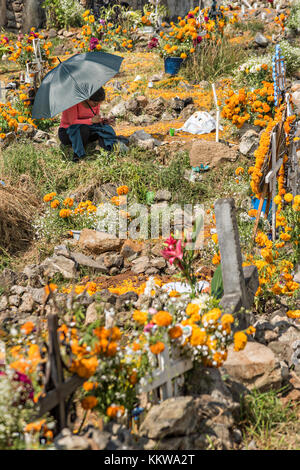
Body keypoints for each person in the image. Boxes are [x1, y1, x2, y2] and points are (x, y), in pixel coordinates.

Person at [58, 87, 117, 162]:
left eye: (98, 103)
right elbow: (72, 122)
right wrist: (91, 120)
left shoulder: (96, 103)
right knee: (82, 129)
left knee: (105, 129)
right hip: (67, 133)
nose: (97, 105)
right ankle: (78, 154)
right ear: (87, 98)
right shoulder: (73, 102)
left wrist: (103, 120)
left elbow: (95, 120)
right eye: (95, 103)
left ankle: (108, 148)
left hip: (87, 131)